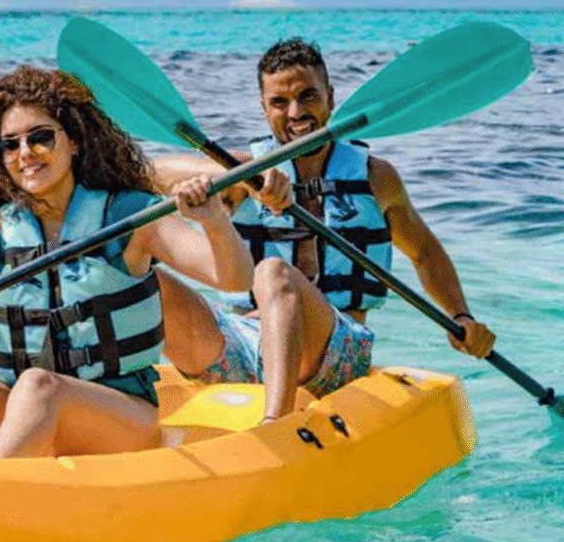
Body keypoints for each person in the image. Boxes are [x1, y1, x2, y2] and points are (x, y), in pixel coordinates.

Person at [0, 65, 254, 458]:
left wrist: (214, 221)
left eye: (40, 137)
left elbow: (233, 278)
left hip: (122, 418)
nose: (26, 153)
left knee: (39, 386)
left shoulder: (131, 216)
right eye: (10, 144)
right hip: (28, 411)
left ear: (72, 140)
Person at [153, 38, 496, 421]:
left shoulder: (375, 178)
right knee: (151, 280)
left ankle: (275, 425)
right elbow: (151, 173)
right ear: (265, 110)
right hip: (243, 345)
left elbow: (425, 253)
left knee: (273, 272)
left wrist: (461, 316)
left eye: (308, 96)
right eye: (280, 103)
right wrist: (240, 176)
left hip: (336, 352)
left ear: (331, 97)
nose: (296, 113)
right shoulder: (243, 174)